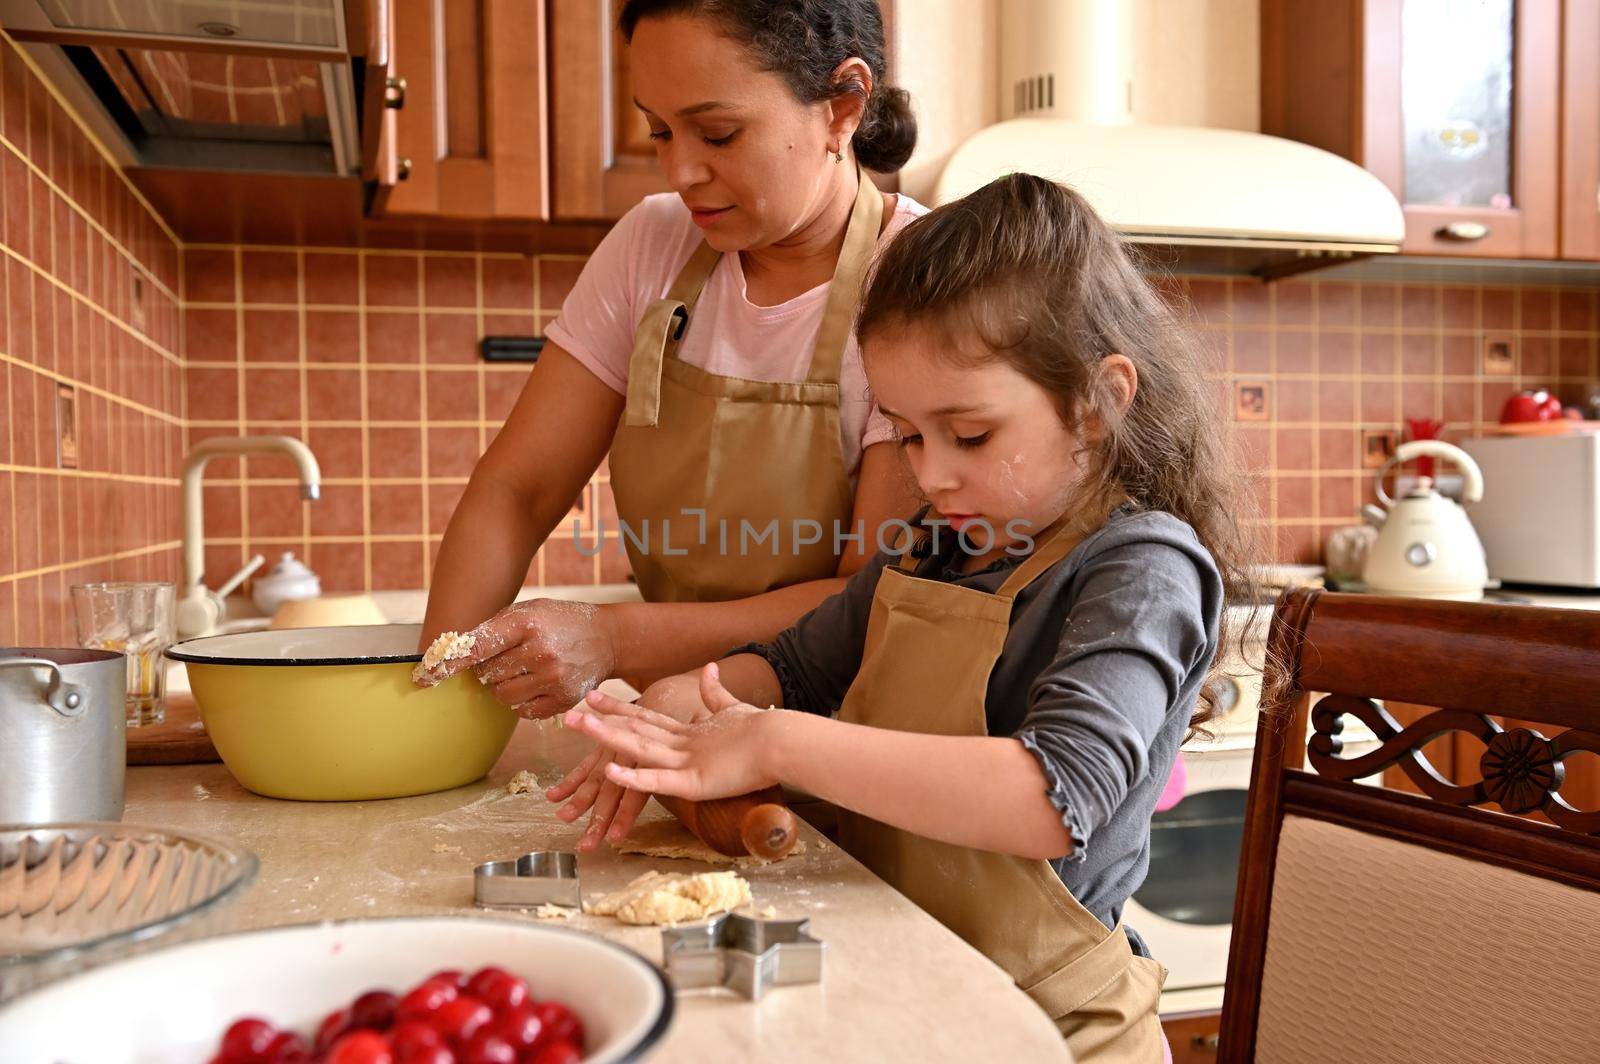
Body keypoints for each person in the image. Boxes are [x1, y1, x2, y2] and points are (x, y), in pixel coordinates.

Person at [563, 173, 1262, 1059]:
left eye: (968, 436)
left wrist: (772, 742)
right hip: (914, 992)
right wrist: (681, 706)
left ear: (1099, 402)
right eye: (906, 433)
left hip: (1052, 1031)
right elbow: (797, 669)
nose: (931, 475)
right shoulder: (937, 543)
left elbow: (1056, 796)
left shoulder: (1142, 566)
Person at [417, 0, 926, 850]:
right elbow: (518, 488)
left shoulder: (918, 284)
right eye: (659, 133)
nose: (682, 170)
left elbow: (865, 598)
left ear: (842, 107)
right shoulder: (651, 247)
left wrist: (613, 637)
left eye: (717, 134)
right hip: (680, 743)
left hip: (851, 760)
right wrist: (432, 694)